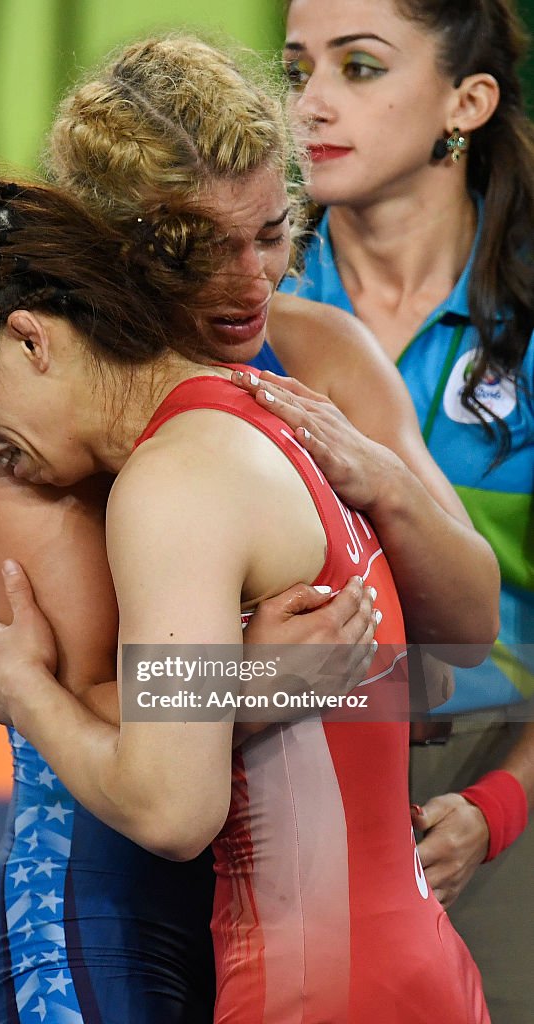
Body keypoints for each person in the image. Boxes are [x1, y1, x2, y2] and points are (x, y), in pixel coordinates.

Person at [0, 164, 495, 1022]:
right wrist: (246, 679)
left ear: (29, 337)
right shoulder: (269, 410)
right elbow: (434, 673)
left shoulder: (173, 478)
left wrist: (26, 690)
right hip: (405, 961)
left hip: (297, 979)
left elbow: (169, 806)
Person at [249, 1, 533, 1019]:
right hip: (265, 777)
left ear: (466, 102)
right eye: (293, 71)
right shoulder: (235, 304)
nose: (310, 103)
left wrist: (496, 807)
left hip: (494, 784)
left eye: (358, 67)